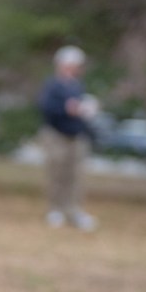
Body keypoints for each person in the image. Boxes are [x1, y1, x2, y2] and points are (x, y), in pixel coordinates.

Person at [38, 45, 98, 231]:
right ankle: (55, 210)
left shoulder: (78, 86)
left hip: (76, 136)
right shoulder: (52, 85)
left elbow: (81, 110)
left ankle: (74, 210)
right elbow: (45, 107)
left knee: (76, 176)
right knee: (57, 173)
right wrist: (65, 109)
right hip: (56, 135)